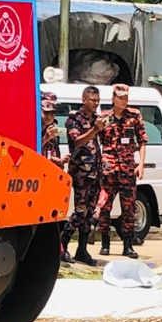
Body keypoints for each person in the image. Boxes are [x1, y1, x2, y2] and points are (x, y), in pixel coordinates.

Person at [96, 84, 147, 258]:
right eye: (120, 97)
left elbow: (142, 141)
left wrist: (141, 164)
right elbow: (98, 141)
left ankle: (128, 245)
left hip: (127, 169)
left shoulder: (134, 116)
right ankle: (105, 243)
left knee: (129, 207)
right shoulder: (104, 117)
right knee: (105, 206)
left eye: (126, 97)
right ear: (113, 98)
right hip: (109, 168)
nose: (123, 100)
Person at [62, 86, 103, 265]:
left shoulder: (98, 119)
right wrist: (94, 130)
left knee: (90, 213)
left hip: (95, 171)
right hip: (81, 172)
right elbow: (76, 141)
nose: (95, 103)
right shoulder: (74, 119)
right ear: (84, 100)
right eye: (92, 100)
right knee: (80, 212)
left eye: (97, 100)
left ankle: (82, 250)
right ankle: (62, 246)